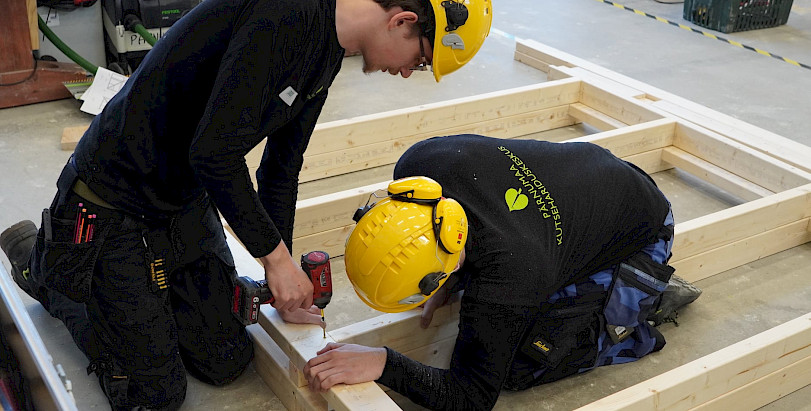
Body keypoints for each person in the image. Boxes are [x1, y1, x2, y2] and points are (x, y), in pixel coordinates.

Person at [0, 0, 492, 409]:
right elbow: (214, 154)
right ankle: (49, 272)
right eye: (420, 59)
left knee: (226, 359)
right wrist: (274, 262)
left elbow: (281, 168)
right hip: (115, 200)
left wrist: (286, 285)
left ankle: (137, 298)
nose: (407, 72)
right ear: (402, 20)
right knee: (155, 395)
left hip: (183, 196)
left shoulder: (330, 48)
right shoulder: (285, 16)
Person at [302, 134, 702, 410]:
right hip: (594, 184)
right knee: (510, 304)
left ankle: (640, 306)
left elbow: (471, 396)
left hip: (641, 230)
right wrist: (452, 279)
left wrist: (384, 362)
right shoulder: (418, 165)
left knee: (521, 364)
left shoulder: (513, 269)